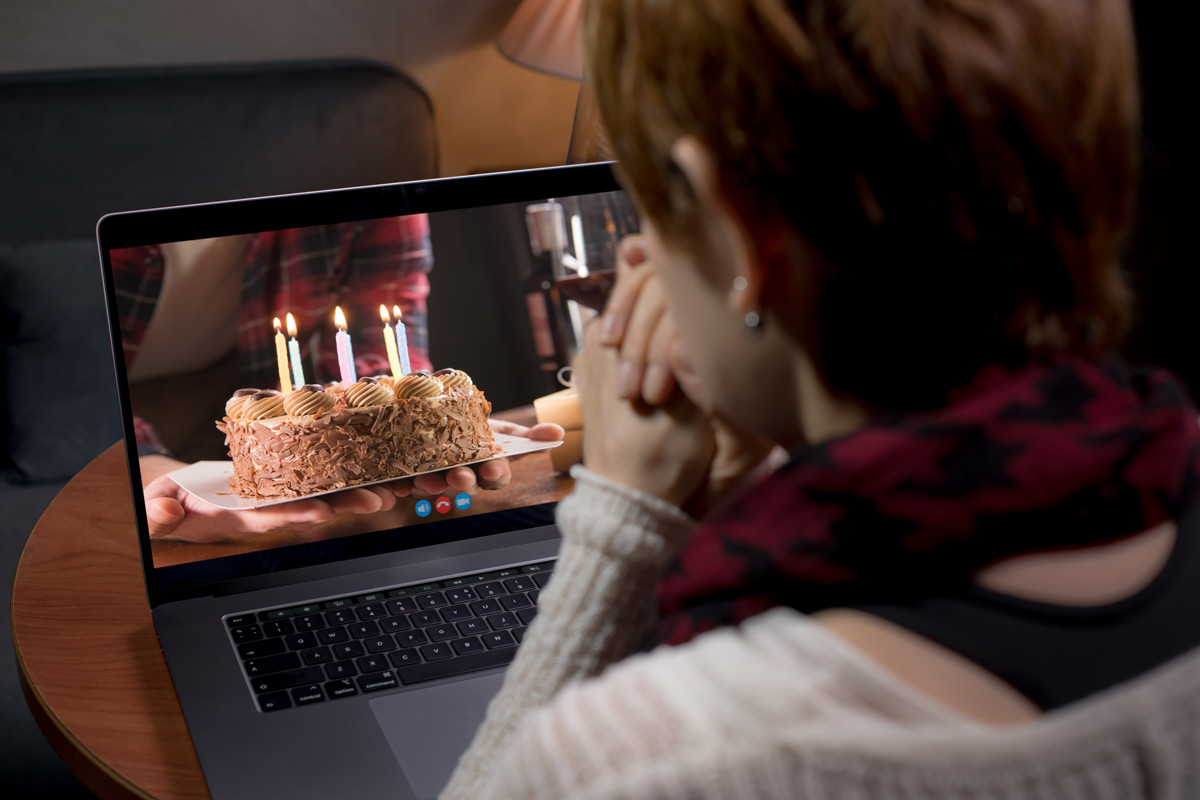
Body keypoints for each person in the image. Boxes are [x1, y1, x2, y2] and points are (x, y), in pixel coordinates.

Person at [440, 0, 1200, 797]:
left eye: (649, 214)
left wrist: (619, 524)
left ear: (742, 234)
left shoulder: (665, 760)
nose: (638, 256)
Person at [113, 218, 559, 543]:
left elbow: (378, 359)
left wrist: (418, 436)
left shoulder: (361, 168)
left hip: (268, 406)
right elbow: (68, 409)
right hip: (116, 417)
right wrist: (150, 467)